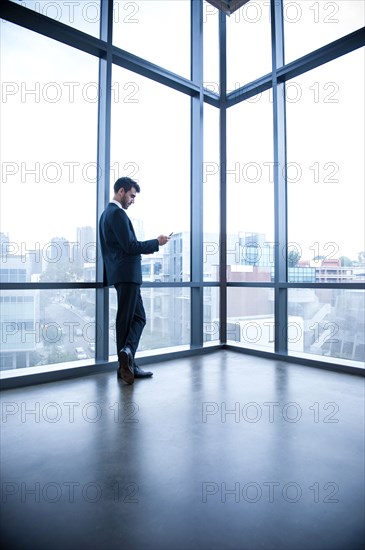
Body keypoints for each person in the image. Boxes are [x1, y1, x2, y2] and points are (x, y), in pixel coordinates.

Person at [99, 176, 170, 384]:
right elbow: (130, 246)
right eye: (131, 195)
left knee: (134, 318)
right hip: (127, 275)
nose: (132, 200)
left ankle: (127, 363)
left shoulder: (105, 215)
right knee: (128, 319)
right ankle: (127, 358)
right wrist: (156, 242)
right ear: (121, 191)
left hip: (121, 275)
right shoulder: (117, 214)